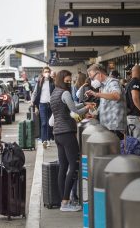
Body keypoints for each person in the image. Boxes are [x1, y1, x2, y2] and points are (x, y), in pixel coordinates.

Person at [50, 70, 94, 212]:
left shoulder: (54, 93)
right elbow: (74, 112)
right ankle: (65, 201)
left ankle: (63, 200)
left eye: (70, 81)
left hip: (57, 133)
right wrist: (87, 107)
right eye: (67, 81)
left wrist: (83, 105)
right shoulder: (65, 93)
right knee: (74, 165)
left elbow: (69, 108)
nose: (69, 83)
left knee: (63, 166)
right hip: (67, 133)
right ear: (63, 80)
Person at [86, 64, 127, 140]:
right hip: (106, 126)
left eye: (92, 78)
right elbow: (103, 104)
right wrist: (95, 114)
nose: (92, 81)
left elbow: (116, 96)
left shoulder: (113, 82)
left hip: (115, 126)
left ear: (99, 74)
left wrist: (97, 94)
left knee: (116, 151)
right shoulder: (102, 86)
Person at [31, 67, 55, 148]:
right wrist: (33, 103)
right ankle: (44, 139)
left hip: (51, 105)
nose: (47, 73)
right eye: (45, 71)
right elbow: (35, 93)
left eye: (48, 71)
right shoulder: (40, 82)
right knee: (44, 123)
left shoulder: (52, 82)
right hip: (42, 104)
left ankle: (48, 139)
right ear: (43, 73)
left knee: (49, 123)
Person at [126, 65, 140, 139]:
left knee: (132, 140)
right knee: (138, 140)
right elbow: (135, 98)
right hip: (136, 116)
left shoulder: (129, 83)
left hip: (130, 116)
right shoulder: (136, 82)